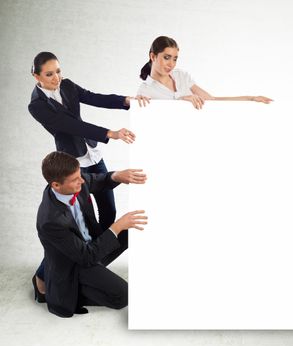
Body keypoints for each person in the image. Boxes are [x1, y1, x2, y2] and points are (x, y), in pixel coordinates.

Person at [28, 52, 150, 291]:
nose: (57, 78)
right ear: (36, 76)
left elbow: (95, 98)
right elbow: (69, 125)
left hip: (93, 155)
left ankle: (92, 259)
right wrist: (109, 133)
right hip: (73, 164)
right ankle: (42, 277)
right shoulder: (37, 106)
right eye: (49, 74)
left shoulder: (68, 85)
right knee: (76, 226)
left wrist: (125, 101)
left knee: (109, 213)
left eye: (58, 71)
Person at [33, 151, 148, 317]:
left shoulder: (73, 182)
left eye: (80, 175)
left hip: (90, 247)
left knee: (133, 230)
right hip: (77, 262)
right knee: (123, 297)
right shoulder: (50, 221)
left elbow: (94, 180)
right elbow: (86, 257)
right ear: (56, 185)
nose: (82, 181)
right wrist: (116, 227)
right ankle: (67, 291)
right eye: (75, 180)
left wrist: (117, 176)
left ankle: (93, 275)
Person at [137, 36, 273, 109]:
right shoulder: (145, 91)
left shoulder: (181, 76)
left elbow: (212, 101)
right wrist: (182, 100)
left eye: (175, 59)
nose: (171, 64)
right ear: (153, 56)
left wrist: (251, 98)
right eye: (166, 57)